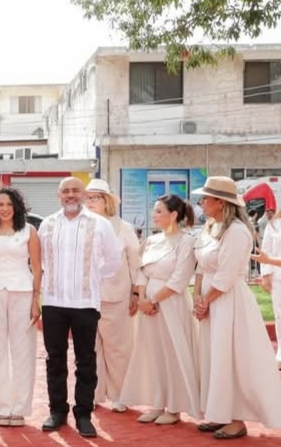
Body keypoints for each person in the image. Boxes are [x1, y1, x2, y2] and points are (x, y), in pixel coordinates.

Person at [194, 177, 281, 439]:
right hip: (212, 300)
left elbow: (226, 275)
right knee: (213, 357)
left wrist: (205, 301)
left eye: (206, 198)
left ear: (221, 202)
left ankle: (236, 418)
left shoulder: (237, 232)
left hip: (228, 302)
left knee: (230, 358)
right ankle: (219, 411)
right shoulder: (211, 227)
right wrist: (198, 296)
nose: (202, 203)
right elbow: (201, 265)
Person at [37, 177, 120, 438]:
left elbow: (113, 260)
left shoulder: (100, 224)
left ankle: (83, 414)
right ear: (58, 195)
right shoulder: (47, 224)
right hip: (53, 302)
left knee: (86, 361)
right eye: (66, 191)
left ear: (84, 194)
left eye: (75, 190)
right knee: (54, 360)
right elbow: (40, 261)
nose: (70, 195)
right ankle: (57, 411)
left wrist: (91, 279)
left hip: (85, 303)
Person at [120, 194, 200, 425]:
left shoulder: (187, 241)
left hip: (171, 304)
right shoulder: (153, 240)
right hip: (149, 306)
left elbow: (179, 279)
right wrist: (142, 299)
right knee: (153, 353)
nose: (153, 215)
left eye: (158, 211)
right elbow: (141, 272)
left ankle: (174, 408)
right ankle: (157, 402)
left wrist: (154, 301)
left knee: (172, 353)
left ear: (173, 215)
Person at [0, 187, 40, 428]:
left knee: (23, 351)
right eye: (0, 205)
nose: (4, 209)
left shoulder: (29, 231)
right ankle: (2, 407)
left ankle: (20, 408)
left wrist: (36, 301)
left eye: (9, 204)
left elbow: (37, 267)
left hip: (23, 293)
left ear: (16, 206)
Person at [83, 178, 142, 413]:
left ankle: (120, 394)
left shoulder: (123, 228)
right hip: (86, 297)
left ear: (107, 201)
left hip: (117, 296)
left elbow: (135, 262)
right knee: (89, 348)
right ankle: (93, 393)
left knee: (118, 348)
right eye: (87, 198)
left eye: (95, 198)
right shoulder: (81, 226)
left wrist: (136, 292)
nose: (90, 202)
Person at [259, 207, 281, 368]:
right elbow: (266, 250)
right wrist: (265, 274)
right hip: (278, 277)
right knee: (280, 314)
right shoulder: (273, 225)